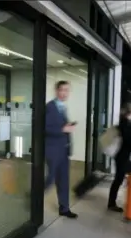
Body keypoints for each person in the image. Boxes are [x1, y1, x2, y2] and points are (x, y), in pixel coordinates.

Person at [45, 80, 78, 219]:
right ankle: (32, 197)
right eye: (63, 90)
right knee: (50, 180)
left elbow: (60, 126)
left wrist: (67, 125)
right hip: (53, 150)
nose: (65, 93)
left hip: (64, 151)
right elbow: (44, 128)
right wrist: (63, 129)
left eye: (67, 90)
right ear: (57, 91)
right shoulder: (50, 107)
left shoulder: (63, 107)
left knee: (64, 180)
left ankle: (64, 208)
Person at [108, 103, 131, 212]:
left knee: (120, 178)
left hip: (123, 154)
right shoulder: (126, 124)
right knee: (118, 179)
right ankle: (111, 203)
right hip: (121, 155)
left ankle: (113, 202)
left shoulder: (127, 123)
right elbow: (128, 141)